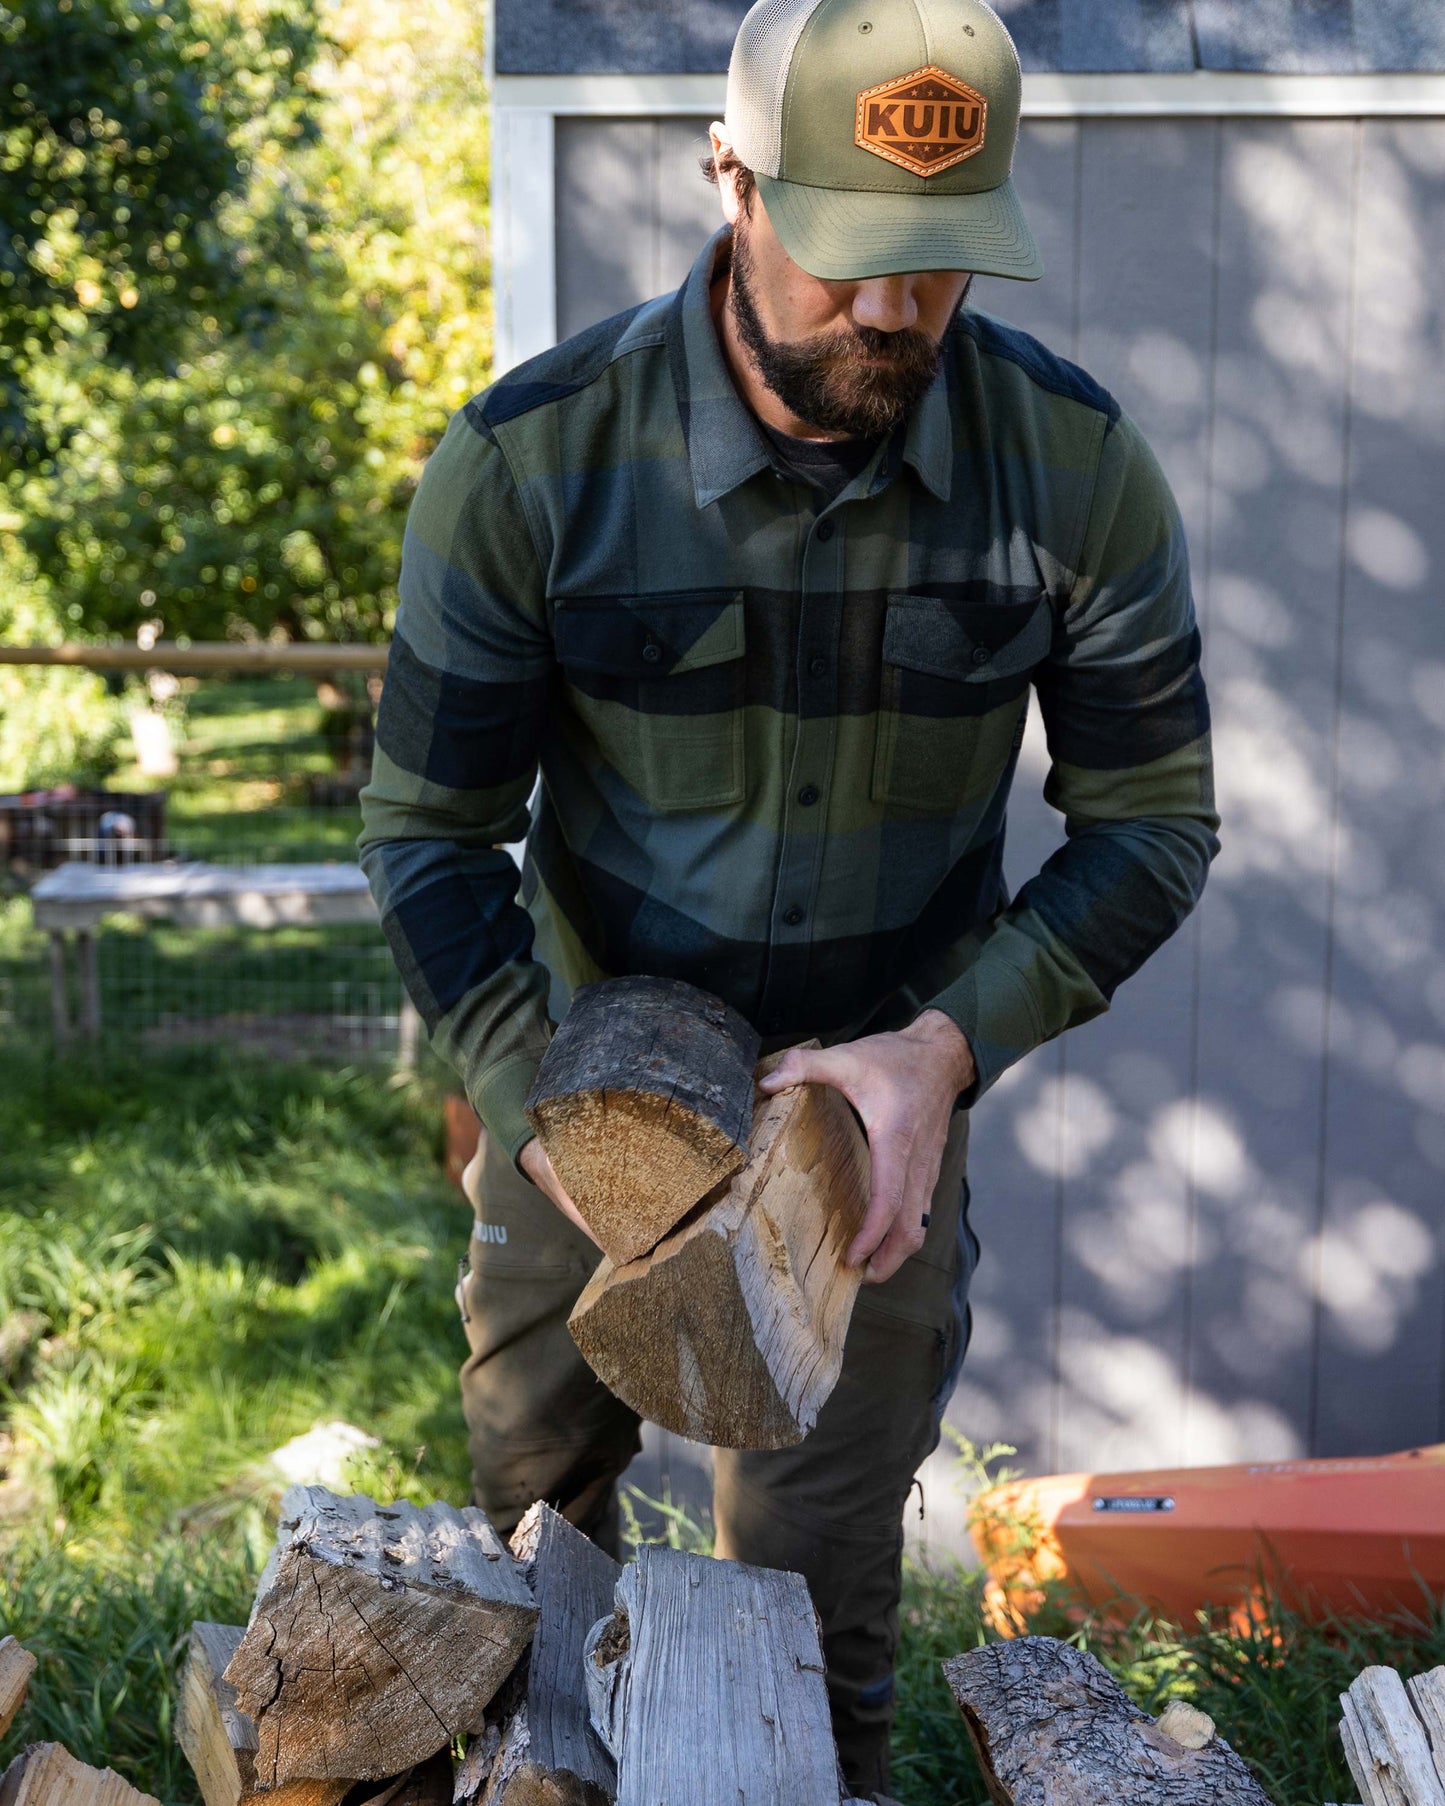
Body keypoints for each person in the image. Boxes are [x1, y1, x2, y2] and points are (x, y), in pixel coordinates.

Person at [357, 0, 1219, 1792]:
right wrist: (535, 1116)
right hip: (587, 1087)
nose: (893, 311)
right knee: (522, 1556)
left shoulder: (1073, 471)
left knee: (816, 1629)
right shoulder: (532, 463)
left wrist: (942, 1054)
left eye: (939, 264)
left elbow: (1152, 823)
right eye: (847, 258)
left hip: (876, 1105)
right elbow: (428, 833)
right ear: (729, 180)